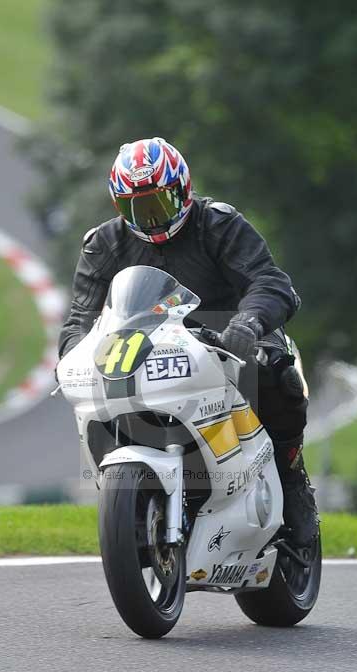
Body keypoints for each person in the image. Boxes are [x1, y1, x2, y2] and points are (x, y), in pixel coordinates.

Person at [58, 137, 318, 547]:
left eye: (159, 204)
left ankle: (292, 477)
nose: (150, 218)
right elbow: (80, 318)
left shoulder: (219, 224)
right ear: (118, 206)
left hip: (227, 339)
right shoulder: (103, 245)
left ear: (183, 190)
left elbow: (269, 281)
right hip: (146, 352)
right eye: (137, 208)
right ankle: (131, 490)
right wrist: (73, 356)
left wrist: (248, 324)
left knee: (279, 375)